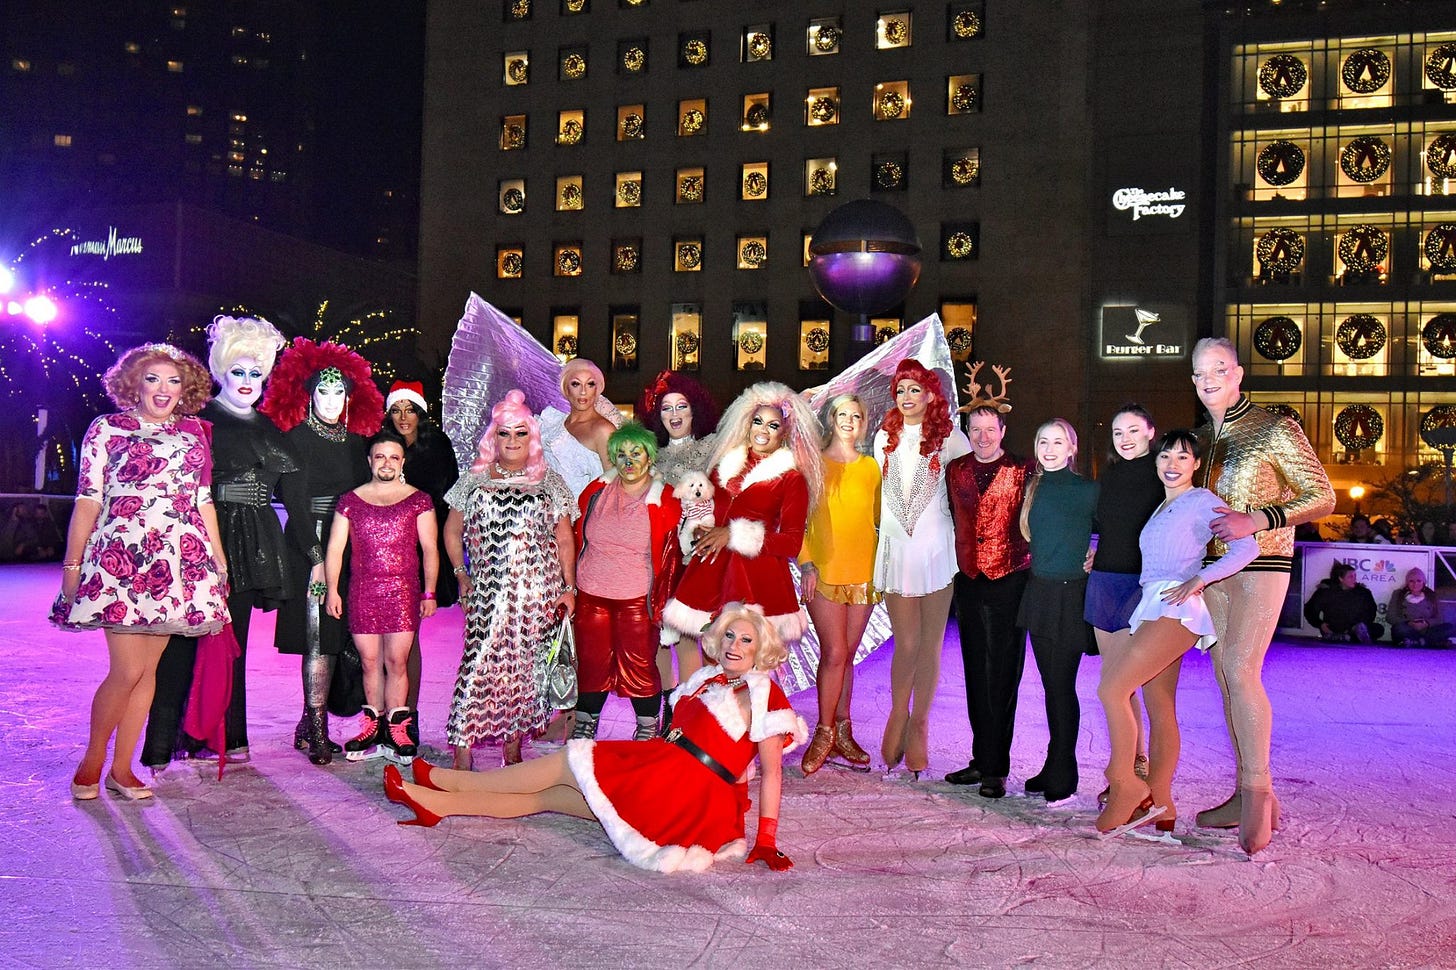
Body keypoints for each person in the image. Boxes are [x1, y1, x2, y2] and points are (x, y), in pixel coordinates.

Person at [380, 604, 808, 875]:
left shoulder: (763, 691)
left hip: (683, 791)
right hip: (664, 772)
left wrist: (766, 839)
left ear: (761, 648)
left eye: (745, 639)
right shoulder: (705, 679)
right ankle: (438, 801)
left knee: (571, 760)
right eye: (729, 635)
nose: (734, 645)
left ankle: (442, 780)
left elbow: (770, 773)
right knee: (549, 796)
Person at [51, 343, 230, 801]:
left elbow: (202, 501)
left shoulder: (193, 436)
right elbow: (88, 499)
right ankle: (91, 763)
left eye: (173, 381)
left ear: (185, 388)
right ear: (134, 383)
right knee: (126, 669)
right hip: (121, 562)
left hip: (178, 561)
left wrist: (219, 558)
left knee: (148, 671)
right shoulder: (107, 429)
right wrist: (72, 565)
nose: (163, 389)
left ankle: (122, 769)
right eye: (153, 379)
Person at [141, 315, 312, 770]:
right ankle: (168, 742)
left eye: (257, 373)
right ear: (220, 371)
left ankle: (228, 736)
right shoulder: (197, 423)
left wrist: (320, 551)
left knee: (231, 644)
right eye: (239, 371)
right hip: (199, 541)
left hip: (253, 547)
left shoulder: (273, 430)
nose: (248, 381)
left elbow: (297, 499)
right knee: (181, 644)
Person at [1193, 337, 1334, 854]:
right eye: (1201, 373)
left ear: (1238, 373)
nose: (1210, 379)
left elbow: (1322, 495)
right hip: (1211, 571)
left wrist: (1260, 517)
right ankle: (1247, 790)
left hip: (1261, 561)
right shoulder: (1199, 440)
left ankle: (1257, 794)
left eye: (1219, 369)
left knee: (1239, 668)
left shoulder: (1275, 427)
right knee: (1223, 675)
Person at [1095, 430, 1259, 837]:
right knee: (1159, 706)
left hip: (1176, 609)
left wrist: (1200, 579)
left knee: (1112, 690)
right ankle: (1162, 803)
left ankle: (1127, 784)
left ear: (1196, 465)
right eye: (1166, 456)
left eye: (1182, 458)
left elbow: (1247, 547)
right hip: (1152, 605)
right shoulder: (1161, 508)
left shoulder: (1201, 501)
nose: (1172, 464)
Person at [259, 338, 384, 766]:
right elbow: (292, 501)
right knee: (317, 639)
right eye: (322, 392)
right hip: (308, 546)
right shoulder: (293, 439)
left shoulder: (356, 444)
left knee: (338, 636)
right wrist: (315, 559)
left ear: (351, 397)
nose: (330, 401)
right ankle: (317, 730)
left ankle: (305, 721)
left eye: (338, 392)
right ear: (308, 395)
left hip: (350, 547)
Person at [443, 390, 577, 769]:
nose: (513, 441)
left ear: (531, 436)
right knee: (477, 662)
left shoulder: (549, 480)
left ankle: (513, 747)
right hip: (488, 592)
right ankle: (462, 749)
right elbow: (453, 530)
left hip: (538, 595)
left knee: (525, 672)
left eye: (521, 433)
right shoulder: (474, 479)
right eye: (505, 433)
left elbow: (564, 538)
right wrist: (460, 573)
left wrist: (569, 588)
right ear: (494, 436)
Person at [662, 382, 823, 657]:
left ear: (784, 432)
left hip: (757, 579)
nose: (763, 430)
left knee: (751, 668)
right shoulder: (725, 464)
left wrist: (734, 535)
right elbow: (713, 511)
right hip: (712, 574)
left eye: (773, 425)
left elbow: (792, 543)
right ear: (748, 425)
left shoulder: (791, 478)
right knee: (714, 663)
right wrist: (703, 530)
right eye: (758, 421)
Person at [873, 359, 971, 777]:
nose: (907, 398)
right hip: (897, 552)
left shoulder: (951, 437)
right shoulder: (883, 438)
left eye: (915, 389)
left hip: (937, 550)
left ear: (931, 394)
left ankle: (920, 725)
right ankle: (898, 713)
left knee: (930, 646)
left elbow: (972, 490)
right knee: (906, 644)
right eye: (901, 391)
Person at [324, 431, 439, 764]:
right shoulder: (350, 500)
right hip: (363, 590)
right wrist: (333, 589)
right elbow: (335, 548)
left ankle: (396, 729)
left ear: (402, 462)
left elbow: (430, 550)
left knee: (396, 662)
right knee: (369, 662)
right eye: (379, 456)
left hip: (403, 591)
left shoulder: (419, 500)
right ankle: (371, 727)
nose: (386, 463)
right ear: (369, 460)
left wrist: (428, 591)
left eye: (393, 457)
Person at [570, 422, 683, 742]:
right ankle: (584, 726)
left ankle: (647, 729)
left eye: (637, 453)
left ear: (650, 458)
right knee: (592, 662)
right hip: (591, 594)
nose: (629, 461)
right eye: (621, 454)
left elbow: (674, 552)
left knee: (638, 663)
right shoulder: (596, 492)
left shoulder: (667, 498)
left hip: (636, 597)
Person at [945, 404, 1033, 797]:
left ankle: (996, 766)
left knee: (1002, 675)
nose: (983, 437)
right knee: (976, 674)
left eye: (990, 429)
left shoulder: (1024, 469)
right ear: (968, 430)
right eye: (975, 429)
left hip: (1009, 580)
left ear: (1003, 430)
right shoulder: (956, 469)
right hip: (970, 581)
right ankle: (981, 759)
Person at [1016, 419, 1099, 803]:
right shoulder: (1033, 487)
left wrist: (1100, 554)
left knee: (1062, 686)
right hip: (1040, 594)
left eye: (1058, 442)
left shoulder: (1087, 491)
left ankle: (1064, 771)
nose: (1050, 449)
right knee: (1051, 687)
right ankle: (1053, 763)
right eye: (1043, 441)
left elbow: (1122, 529)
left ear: (1072, 448)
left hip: (1070, 597)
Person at [798, 394, 881, 774]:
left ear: (864, 422)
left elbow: (881, 521)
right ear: (831, 420)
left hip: (864, 573)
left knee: (847, 655)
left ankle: (843, 731)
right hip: (824, 572)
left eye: (856, 416)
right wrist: (806, 563)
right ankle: (824, 730)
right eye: (842, 415)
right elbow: (795, 518)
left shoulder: (871, 468)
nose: (849, 421)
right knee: (833, 653)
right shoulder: (813, 464)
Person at [1083, 405, 1163, 799]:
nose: (1125, 438)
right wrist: (1094, 551)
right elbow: (1107, 527)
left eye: (1133, 429)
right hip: (1104, 581)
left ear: (1150, 431)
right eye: (1118, 432)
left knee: (1126, 685)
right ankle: (1128, 766)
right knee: (1112, 682)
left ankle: (1136, 767)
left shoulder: (1161, 474)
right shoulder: (1109, 475)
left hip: (1140, 586)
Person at [636, 370, 721, 727]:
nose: (674, 415)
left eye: (681, 407)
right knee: (655, 639)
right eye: (666, 408)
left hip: (696, 556)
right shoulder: (650, 456)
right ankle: (660, 716)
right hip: (655, 556)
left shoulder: (713, 447)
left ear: (694, 410)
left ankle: (685, 719)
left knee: (689, 638)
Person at [384, 380, 460, 713]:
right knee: (387, 635)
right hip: (384, 549)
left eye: (410, 409)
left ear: (421, 413)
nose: (404, 417)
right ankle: (386, 711)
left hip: (422, 548)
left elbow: (453, 495)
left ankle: (406, 714)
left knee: (407, 633)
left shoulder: (438, 446)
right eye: (397, 410)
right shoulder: (381, 445)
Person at [539, 358, 616, 498]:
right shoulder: (554, 422)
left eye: (590, 384)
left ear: (597, 389)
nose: (583, 392)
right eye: (576, 384)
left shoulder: (604, 430)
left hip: (586, 516)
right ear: (565, 389)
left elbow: (615, 488)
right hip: (549, 514)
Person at [1303, 562, 1383, 643]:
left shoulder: (1363, 593)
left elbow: (1371, 612)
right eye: (1350, 577)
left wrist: (1357, 625)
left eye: (1355, 576)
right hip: (1333, 627)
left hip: (1354, 628)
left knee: (1378, 629)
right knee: (1335, 629)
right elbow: (1309, 610)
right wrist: (1320, 624)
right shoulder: (1326, 592)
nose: (1354, 579)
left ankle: (1345, 637)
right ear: (1341, 579)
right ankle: (1343, 637)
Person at [1387, 567, 1453, 647]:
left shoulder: (1432, 595)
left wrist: (1427, 623)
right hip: (1408, 628)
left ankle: (1416, 642)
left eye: (1419, 581)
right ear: (1407, 583)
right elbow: (1390, 617)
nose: (1415, 584)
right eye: (1411, 581)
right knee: (1398, 629)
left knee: (1449, 627)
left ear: (1423, 582)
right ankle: (1429, 642)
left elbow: (1439, 618)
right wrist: (1409, 623)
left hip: (1428, 629)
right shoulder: (1398, 594)